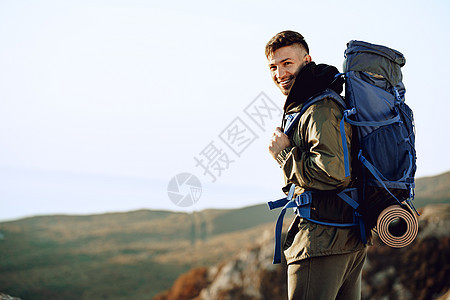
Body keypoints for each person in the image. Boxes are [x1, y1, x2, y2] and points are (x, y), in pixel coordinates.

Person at [266, 30, 368, 300]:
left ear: (307, 60)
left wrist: (283, 155)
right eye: (273, 67)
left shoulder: (319, 107)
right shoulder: (316, 102)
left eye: (288, 63)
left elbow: (332, 174)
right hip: (344, 236)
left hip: (323, 240)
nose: (280, 73)